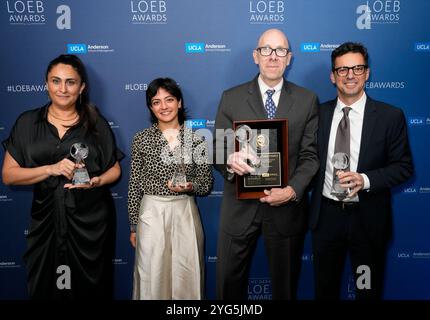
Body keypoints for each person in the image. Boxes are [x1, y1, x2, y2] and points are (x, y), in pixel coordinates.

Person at [1, 54, 123, 300]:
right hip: (46, 221)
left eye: (71, 82)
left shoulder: (96, 123)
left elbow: (115, 169)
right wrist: (50, 169)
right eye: (56, 81)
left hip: (90, 223)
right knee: (45, 288)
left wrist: (96, 181)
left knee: (91, 290)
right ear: (46, 84)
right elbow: (9, 176)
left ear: (82, 87)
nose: (63, 89)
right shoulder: (27, 122)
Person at [214, 28, 319, 300]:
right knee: (228, 287)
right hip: (239, 208)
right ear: (255, 56)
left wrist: (293, 190)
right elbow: (217, 148)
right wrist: (228, 159)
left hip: (286, 209)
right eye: (266, 50)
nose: (273, 56)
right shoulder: (231, 97)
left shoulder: (307, 100)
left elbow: (310, 156)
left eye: (280, 50)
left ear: (289, 58)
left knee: (285, 289)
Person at [309, 42, 414, 300]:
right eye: (342, 69)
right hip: (327, 220)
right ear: (332, 76)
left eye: (357, 68)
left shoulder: (390, 116)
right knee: (325, 291)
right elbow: (304, 159)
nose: (350, 75)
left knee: (367, 291)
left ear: (367, 73)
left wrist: (365, 180)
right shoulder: (317, 114)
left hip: (367, 222)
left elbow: (404, 167)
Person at [128, 77, 213, 300]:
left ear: (179, 103)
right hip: (151, 212)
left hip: (184, 210)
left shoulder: (196, 140)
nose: (164, 106)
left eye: (169, 100)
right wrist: (134, 225)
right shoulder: (141, 139)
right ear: (150, 107)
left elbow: (206, 183)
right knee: (150, 275)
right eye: (156, 102)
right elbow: (134, 184)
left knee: (188, 274)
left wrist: (190, 186)